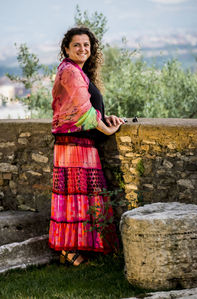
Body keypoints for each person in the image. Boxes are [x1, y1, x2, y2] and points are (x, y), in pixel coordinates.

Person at [49, 26, 124, 266]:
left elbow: (88, 110)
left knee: (81, 197)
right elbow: (83, 112)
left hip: (78, 143)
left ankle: (78, 247)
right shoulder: (70, 71)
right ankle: (67, 250)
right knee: (74, 197)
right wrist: (108, 129)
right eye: (77, 45)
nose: (83, 49)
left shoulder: (75, 71)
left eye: (86, 45)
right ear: (66, 49)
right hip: (74, 144)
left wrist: (105, 118)